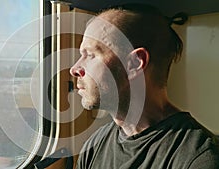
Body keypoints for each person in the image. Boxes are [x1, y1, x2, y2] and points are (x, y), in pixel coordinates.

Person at [70, 4, 219, 169]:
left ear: (134, 63)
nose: (74, 69)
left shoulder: (199, 158)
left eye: (90, 55)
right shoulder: (95, 144)